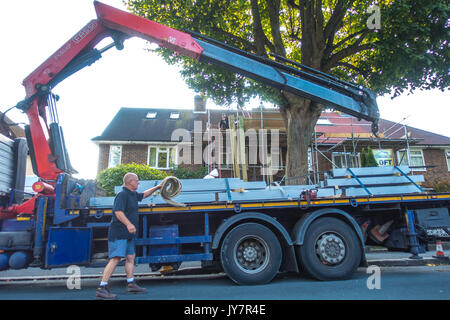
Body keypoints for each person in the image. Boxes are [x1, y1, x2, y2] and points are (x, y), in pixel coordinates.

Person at [95, 172, 162, 300]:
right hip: (119, 232)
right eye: (136, 180)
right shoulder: (122, 195)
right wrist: (129, 224)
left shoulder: (132, 194)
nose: (138, 183)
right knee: (115, 258)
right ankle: (101, 288)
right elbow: (118, 212)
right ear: (130, 181)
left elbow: (143, 195)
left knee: (130, 257)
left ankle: (130, 284)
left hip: (128, 233)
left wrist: (157, 187)